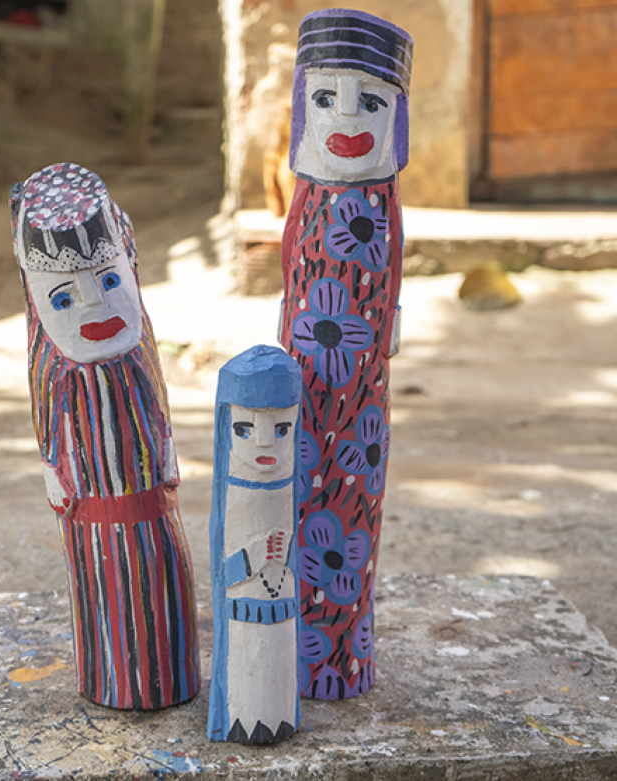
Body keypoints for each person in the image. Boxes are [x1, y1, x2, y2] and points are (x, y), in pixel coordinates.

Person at [11, 163, 200, 710]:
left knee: (161, 584)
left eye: (109, 280)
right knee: (102, 596)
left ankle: (167, 675)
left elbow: (156, 416)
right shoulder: (54, 371)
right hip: (89, 522)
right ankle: (111, 678)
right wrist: (55, 471)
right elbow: (52, 432)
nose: (94, 304)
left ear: (129, 264)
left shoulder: (140, 357)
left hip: (151, 509)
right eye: (63, 298)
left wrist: (164, 457)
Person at [279, 9, 413, 700]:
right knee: (301, 496)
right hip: (305, 383)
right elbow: (290, 276)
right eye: (328, 96)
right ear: (303, 105)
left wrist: (386, 335)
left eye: (373, 101)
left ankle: (343, 656)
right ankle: (297, 651)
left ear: (399, 117)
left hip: (364, 393)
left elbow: (390, 280)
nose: (348, 116)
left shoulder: (384, 204)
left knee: (353, 504)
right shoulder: (306, 198)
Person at [208, 345, 301, 744]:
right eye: (244, 429)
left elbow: (297, 564)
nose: (264, 443)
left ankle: (284, 716)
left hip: (284, 613)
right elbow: (222, 575)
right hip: (242, 617)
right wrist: (255, 556)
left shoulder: (288, 488)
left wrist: (286, 556)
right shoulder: (233, 494)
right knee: (248, 692)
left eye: (281, 429)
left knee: (279, 678)